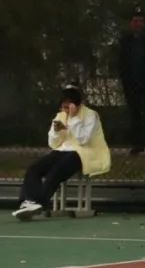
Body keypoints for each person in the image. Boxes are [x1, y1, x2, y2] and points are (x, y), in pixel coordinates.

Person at [13, 85, 111, 220]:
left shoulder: (90, 115)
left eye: (69, 103)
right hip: (62, 151)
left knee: (56, 170)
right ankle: (28, 201)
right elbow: (52, 144)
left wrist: (74, 119)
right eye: (64, 103)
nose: (65, 107)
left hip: (84, 153)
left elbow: (83, 140)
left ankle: (38, 202)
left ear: (77, 103)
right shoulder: (60, 116)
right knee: (34, 168)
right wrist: (56, 131)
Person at [118, 7, 145, 155]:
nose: (137, 24)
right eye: (135, 21)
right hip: (131, 83)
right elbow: (122, 62)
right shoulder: (125, 41)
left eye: (140, 21)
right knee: (135, 114)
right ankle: (138, 144)